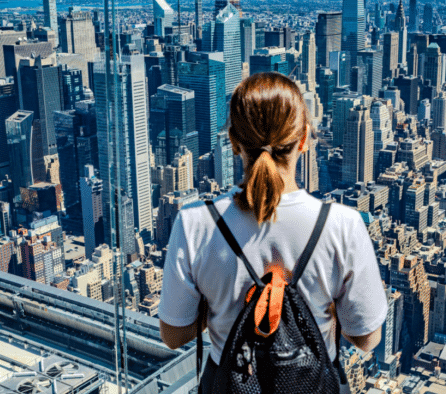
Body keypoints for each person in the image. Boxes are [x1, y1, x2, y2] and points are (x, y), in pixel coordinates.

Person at [158, 72, 387, 392]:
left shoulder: (194, 223)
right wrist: (328, 306)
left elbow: (173, 335)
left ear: (234, 142)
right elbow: (366, 338)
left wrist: (216, 304)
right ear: (304, 138)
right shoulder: (343, 225)